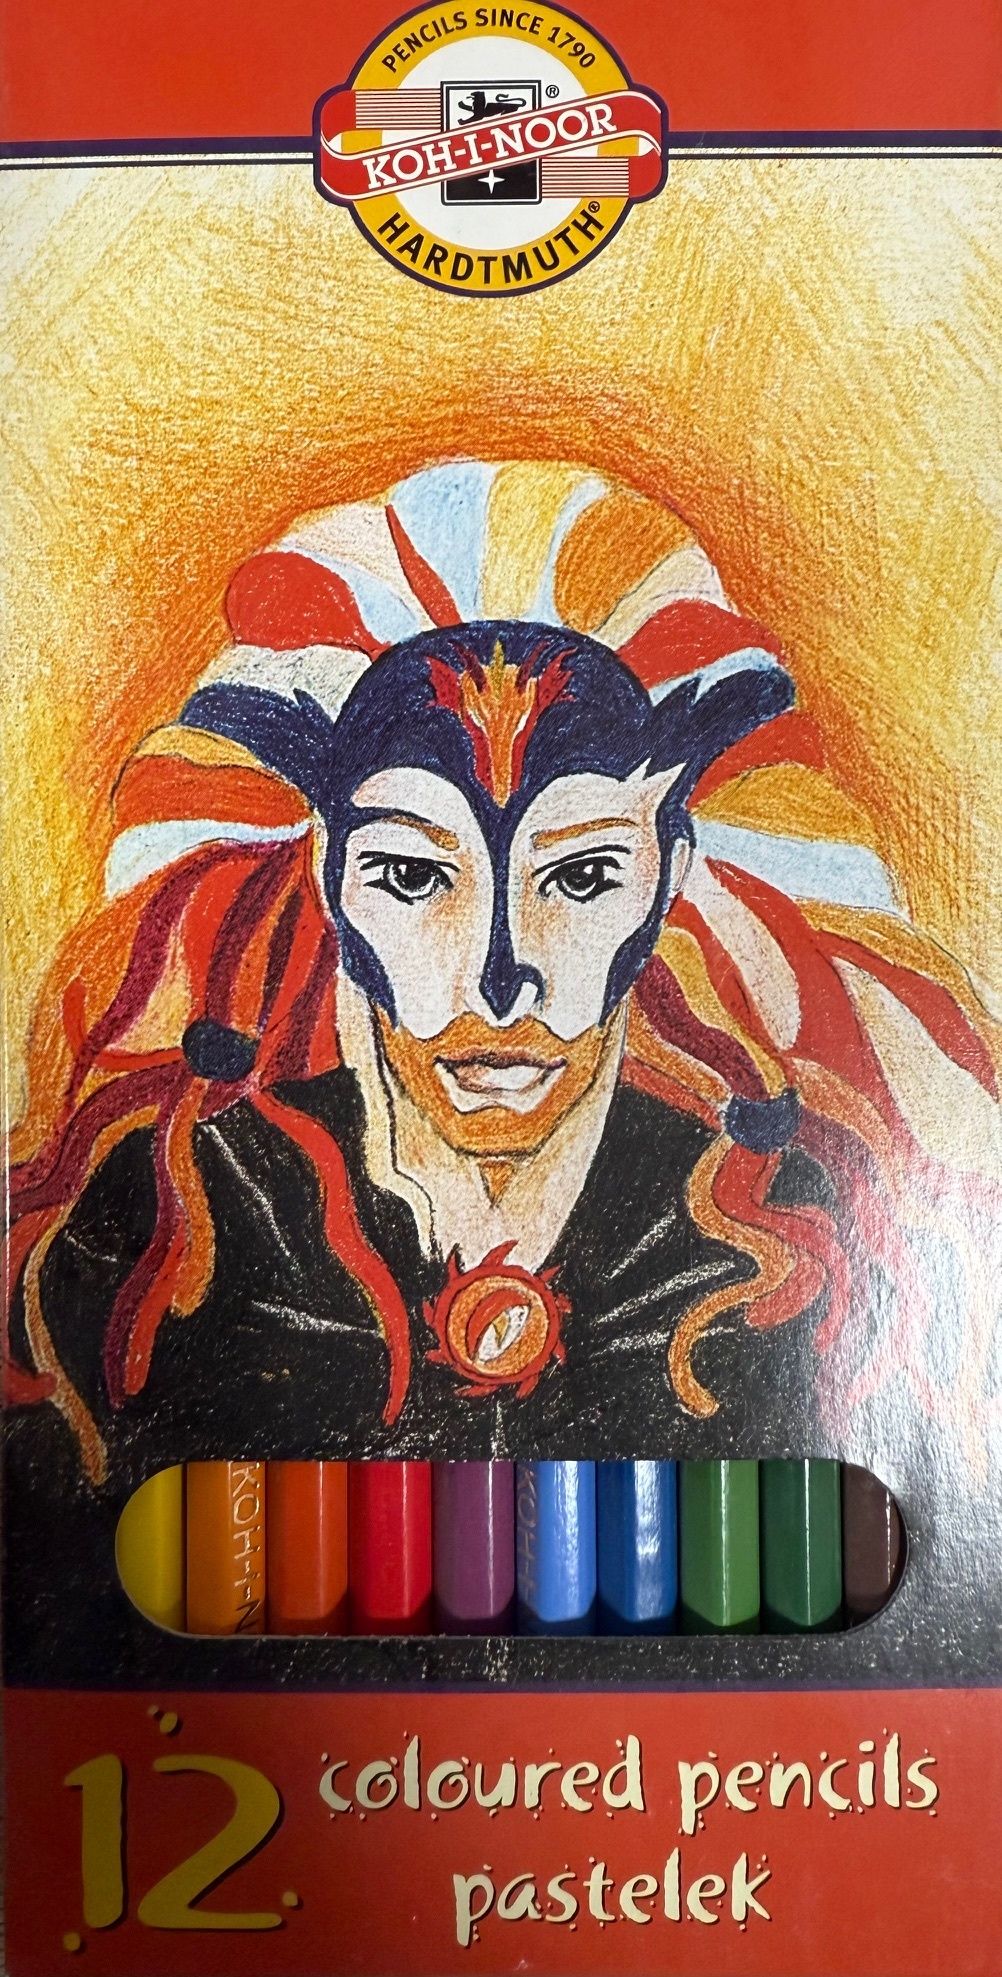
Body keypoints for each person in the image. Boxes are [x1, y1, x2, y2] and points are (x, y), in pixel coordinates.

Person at [6, 460, 999, 1494]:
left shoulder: (787, 1238)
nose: (498, 980)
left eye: (582, 876)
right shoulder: (178, 1214)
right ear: (327, 875)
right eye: (410, 875)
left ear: (671, 877)